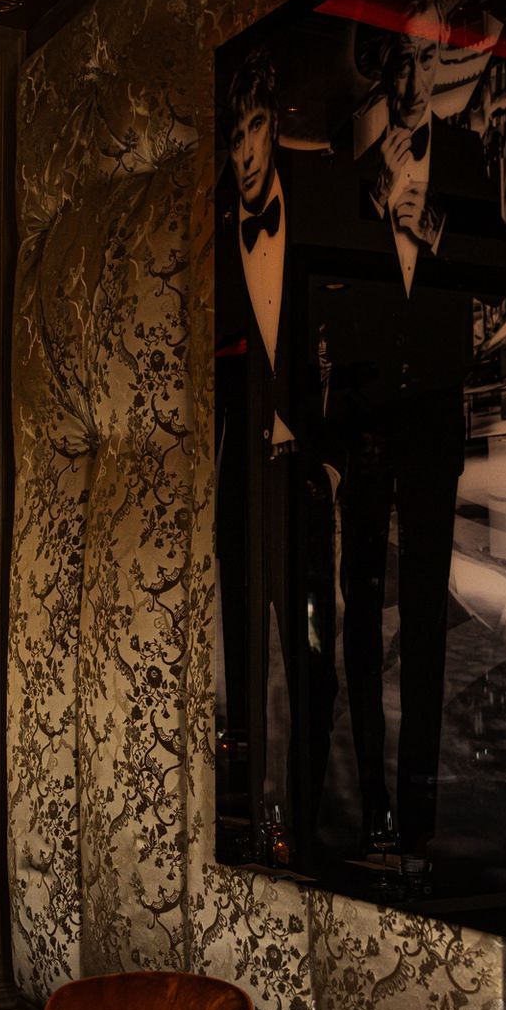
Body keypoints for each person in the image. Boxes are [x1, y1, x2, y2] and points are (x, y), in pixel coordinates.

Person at [319, 0, 494, 855]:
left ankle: (417, 807)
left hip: (429, 419)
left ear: (441, 64)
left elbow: (501, 285)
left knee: (425, 612)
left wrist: (436, 237)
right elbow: (332, 307)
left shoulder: (465, 168)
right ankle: (371, 798)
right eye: (401, 58)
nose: (414, 75)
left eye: (428, 57)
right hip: (361, 424)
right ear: (384, 68)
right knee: (360, 607)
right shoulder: (353, 179)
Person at [213, 47, 341, 863]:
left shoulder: (319, 216)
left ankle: (314, 807)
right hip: (237, 479)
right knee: (243, 649)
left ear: (276, 132)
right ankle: (250, 820)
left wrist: (318, 443)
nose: (248, 150)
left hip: (300, 473)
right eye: (236, 136)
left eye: (258, 128)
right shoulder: (214, 242)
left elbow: (345, 338)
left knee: (310, 646)